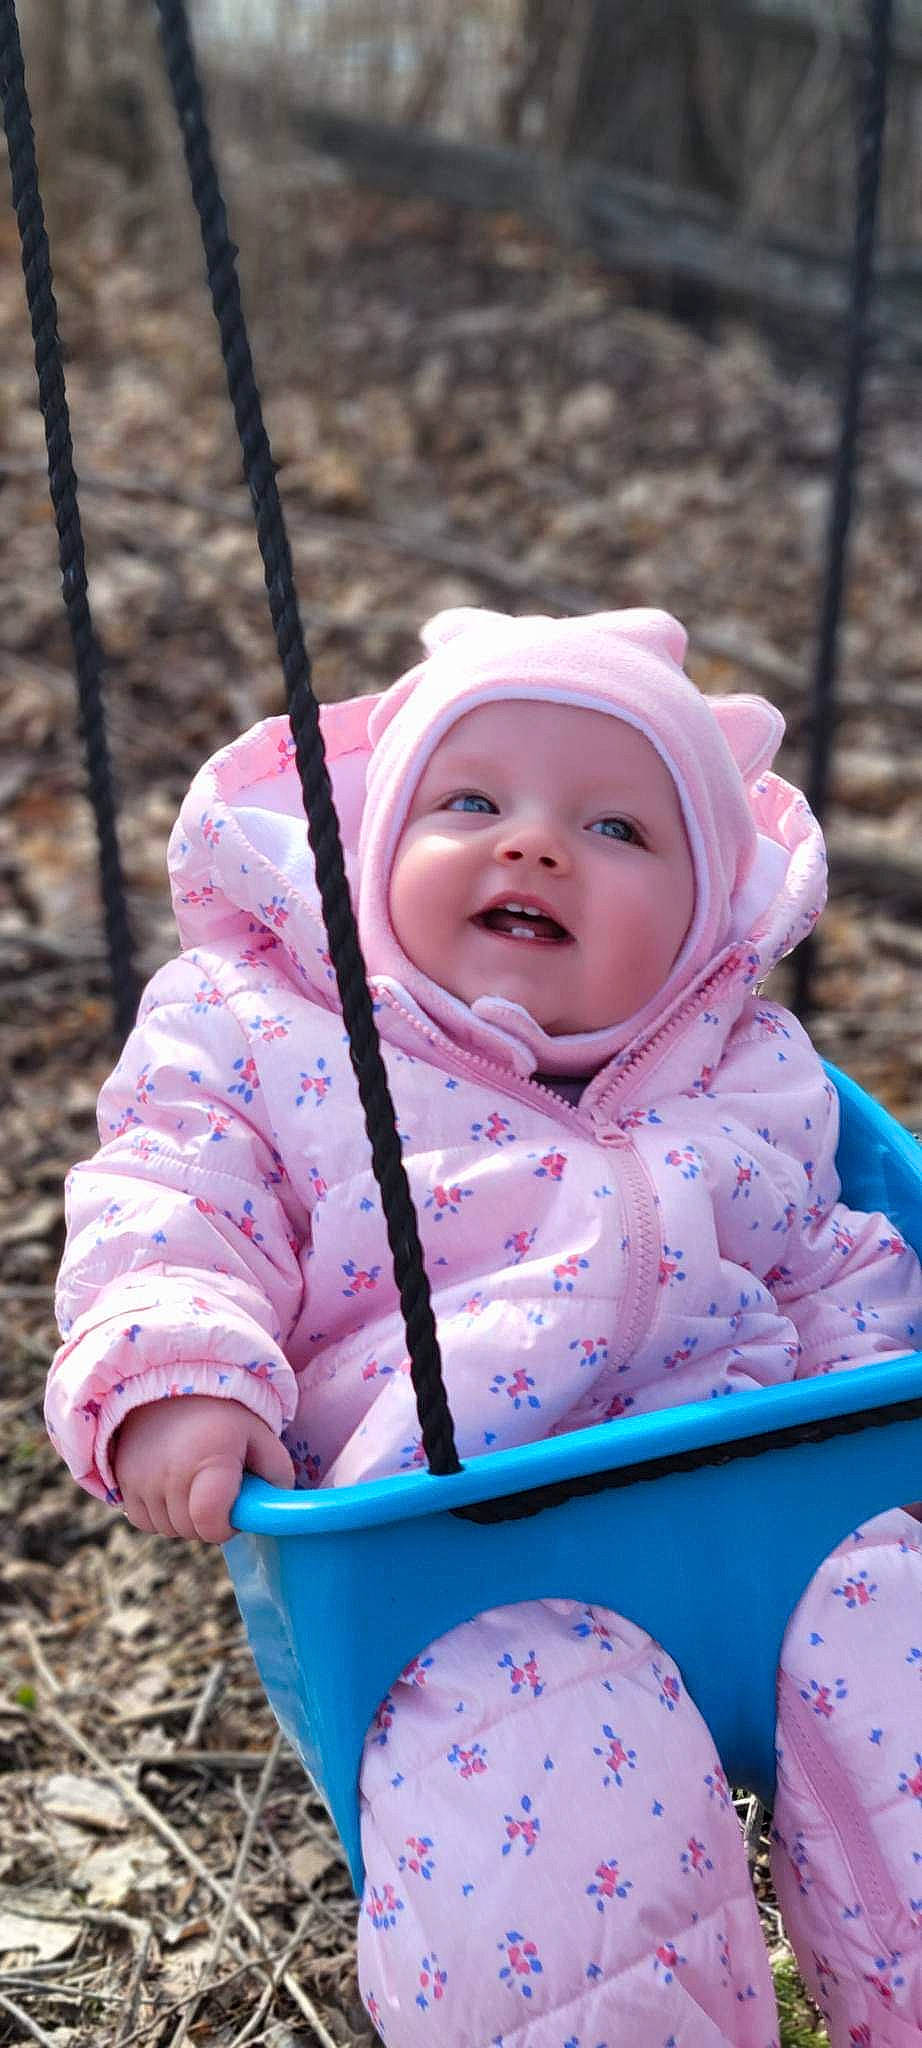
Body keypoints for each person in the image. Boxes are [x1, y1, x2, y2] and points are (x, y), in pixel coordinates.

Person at [48, 608, 922, 2047]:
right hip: (464, 1562)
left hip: (775, 1508)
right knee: (563, 1858)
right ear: (373, 845)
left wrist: (879, 1393)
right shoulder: (263, 1034)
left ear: (705, 920)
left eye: (616, 829)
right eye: (470, 802)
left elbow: (833, 1253)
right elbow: (172, 1196)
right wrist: (174, 1369)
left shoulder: (746, 1061)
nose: (531, 844)